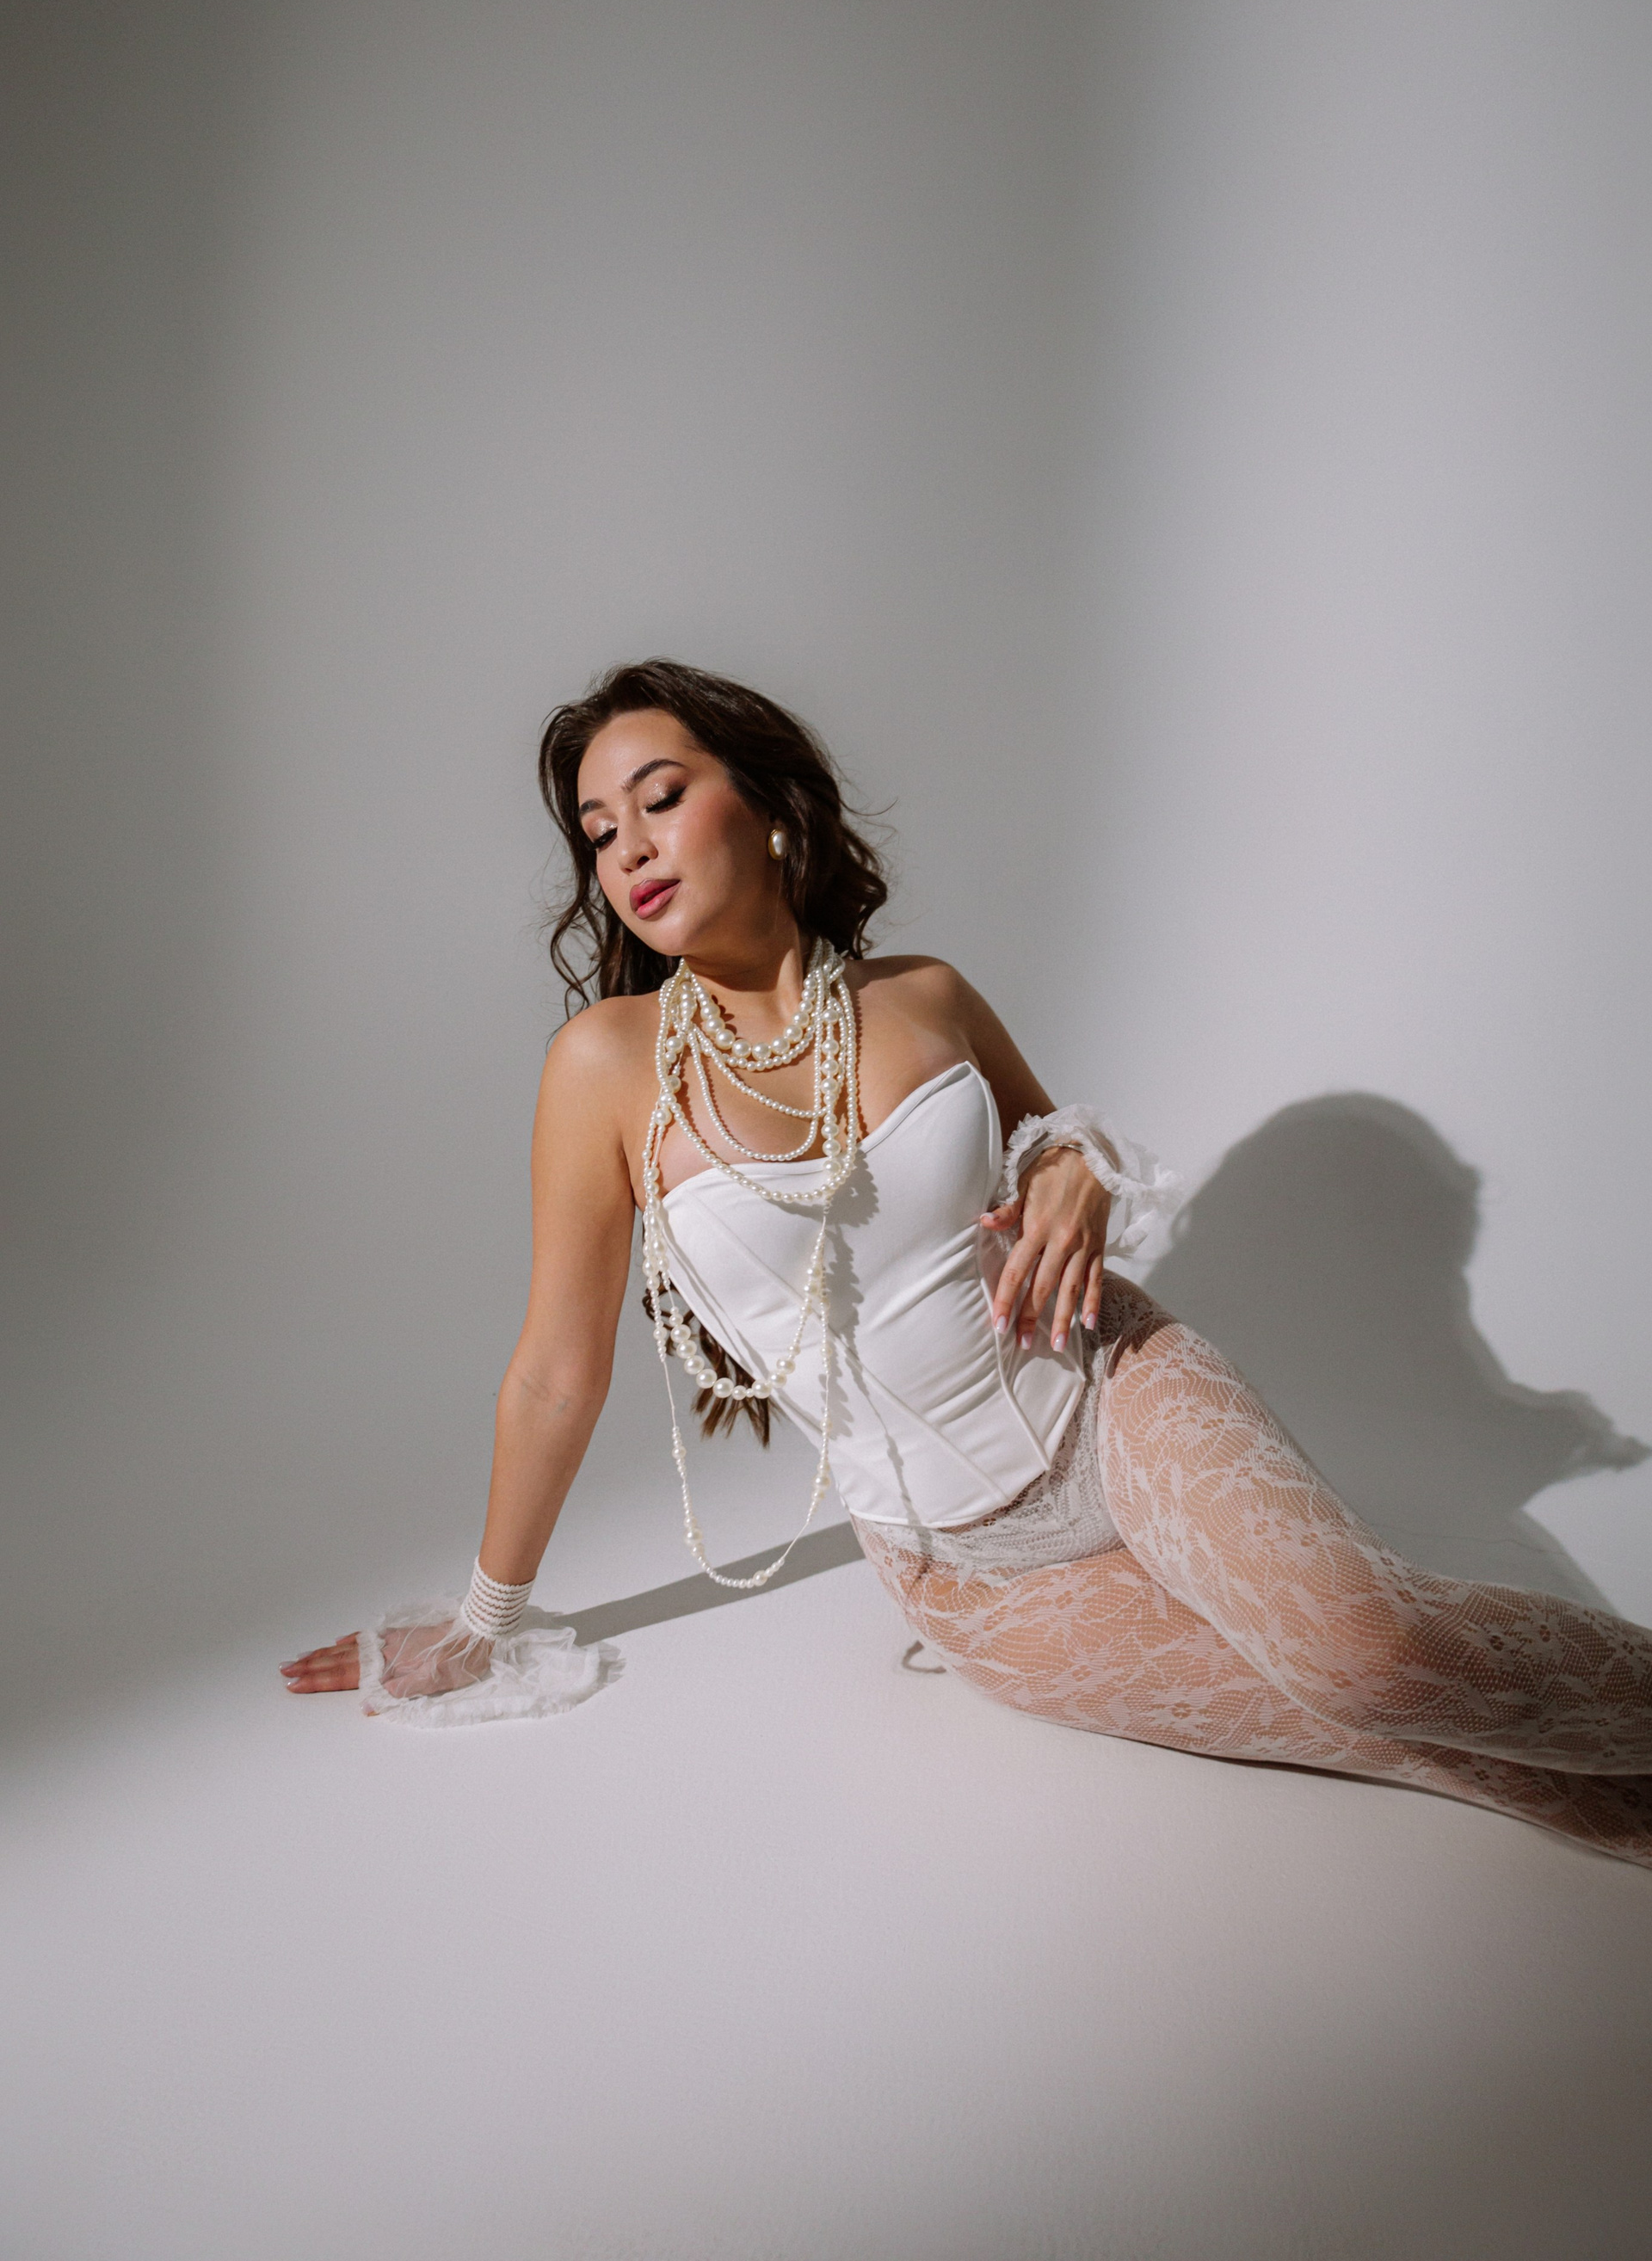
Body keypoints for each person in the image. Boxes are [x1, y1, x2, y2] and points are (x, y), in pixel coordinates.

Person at [282, 660, 1652, 1868]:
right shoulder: (604, 1069)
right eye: (597, 831)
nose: (626, 847)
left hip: (1116, 1397)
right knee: (1394, 1733)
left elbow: (1055, 1143)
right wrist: (486, 1618)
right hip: (969, 1573)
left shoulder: (924, 994)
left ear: (765, 804)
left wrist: (1074, 1165)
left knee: (1377, 1655)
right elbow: (556, 1370)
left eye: (659, 795)